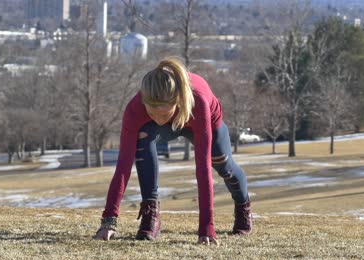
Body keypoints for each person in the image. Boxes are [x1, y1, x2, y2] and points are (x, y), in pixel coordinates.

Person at [93, 57, 252, 245]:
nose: (158, 118)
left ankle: (243, 206)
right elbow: (123, 167)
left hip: (198, 120)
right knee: (142, 140)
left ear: (176, 101)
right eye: (152, 113)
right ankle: (150, 212)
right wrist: (109, 221)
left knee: (223, 164)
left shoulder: (197, 102)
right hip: (165, 124)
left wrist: (207, 228)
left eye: (163, 113)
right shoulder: (134, 109)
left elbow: (203, 169)